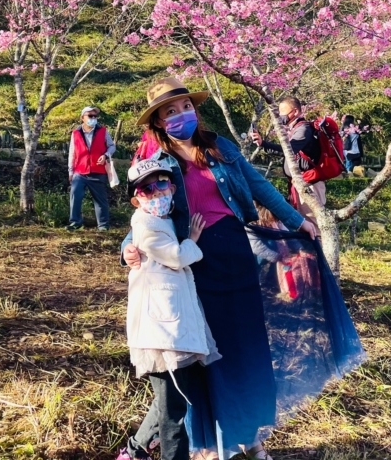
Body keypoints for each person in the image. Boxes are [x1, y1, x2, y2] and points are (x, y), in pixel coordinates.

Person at [121, 77, 318, 460]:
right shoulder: (156, 160)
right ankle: (209, 444)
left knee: (244, 350)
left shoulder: (218, 146)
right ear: (159, 122)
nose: (182, 115)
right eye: (171, 112)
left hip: (236, 257)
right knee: (207, 357)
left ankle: (250, 437)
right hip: (196, 265)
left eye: (186, 107)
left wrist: (296, 220)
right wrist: (128, 247)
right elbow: (143, 208)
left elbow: (258, 185)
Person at [118, 158, 220, 460]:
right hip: (162, 331)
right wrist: (192, 240)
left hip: (173, 325)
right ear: (137, 198)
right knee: (173, 412)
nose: (157, 192)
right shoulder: (147, 222)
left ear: (172, 185)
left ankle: (136, 451)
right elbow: (175, 256)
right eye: (147, 189)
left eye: (161, 183)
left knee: (171, 401)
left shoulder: (163, 217)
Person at [250, 96, 325, 232]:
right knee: (302, 221)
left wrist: (265, 143)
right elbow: (287, 153)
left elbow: (290, 149)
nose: (281, 117)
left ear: (295, 112)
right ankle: (306, 251)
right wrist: (263, 144)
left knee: (312, 221)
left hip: (309, 183)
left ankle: (318, 251)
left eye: (283, 112)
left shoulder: (304, 129)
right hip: (299, 183)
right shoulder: (295, 129)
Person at [67, 105, 116, 231]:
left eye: (95, 116)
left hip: (98, 170)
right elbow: (72, 152)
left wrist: (105, 155)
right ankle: (75, 222)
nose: (93, 118)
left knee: (100, 200)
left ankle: (103, 225)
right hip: (80, 171)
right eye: (90, 116)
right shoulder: (76, 133)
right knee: (75, 196)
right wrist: (70, 171)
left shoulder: (103, 131)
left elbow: (112, 146)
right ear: (82, 118)